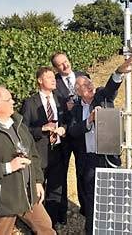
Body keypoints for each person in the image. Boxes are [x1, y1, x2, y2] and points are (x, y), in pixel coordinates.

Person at [0, 85, 56, 235]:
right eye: (9, 99)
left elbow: (33, 154)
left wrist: (38, 181)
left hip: (28, 193)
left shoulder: (19, 124)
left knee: (46, 228)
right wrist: (8, 167)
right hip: (4, 200)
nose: (13, 101)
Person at [68, 57, 132, 234]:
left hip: (107, 157)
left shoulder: (102, 97)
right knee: (92, 199)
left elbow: (112, 87)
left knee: (113, 195)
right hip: (89, 160)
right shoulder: (74, 110)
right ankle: (92, 230)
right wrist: (89, 120)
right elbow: (72, 131)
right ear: (77, 91)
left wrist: (118, 72)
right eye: (84, 85)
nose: (89, 86)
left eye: (90, 83)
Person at [21, 66, 67, 227]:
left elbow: (67, 121)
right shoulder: (29, 102)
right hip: (39, 154)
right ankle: (37, 226)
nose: (54, 79)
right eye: (48, 77)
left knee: (55, 190)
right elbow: (23, 129)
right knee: (37, 190)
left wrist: (64, 128)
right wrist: (42, 129)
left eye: (53, 77)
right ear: (40, 80)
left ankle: (51, 226)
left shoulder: (60, 99)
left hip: (58, 151)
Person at [50, 52, 90, 222]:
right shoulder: (54, 83)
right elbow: (52, 108)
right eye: (60, 64)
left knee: (83, 172)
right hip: (64, 135)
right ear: (56, 68)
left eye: (65, 61)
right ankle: (62, 212)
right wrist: (65, 109)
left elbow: (90, 98)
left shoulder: (83, 76)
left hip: (81, 133)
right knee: (61, 174)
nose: (65, 66)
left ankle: (86, 209)